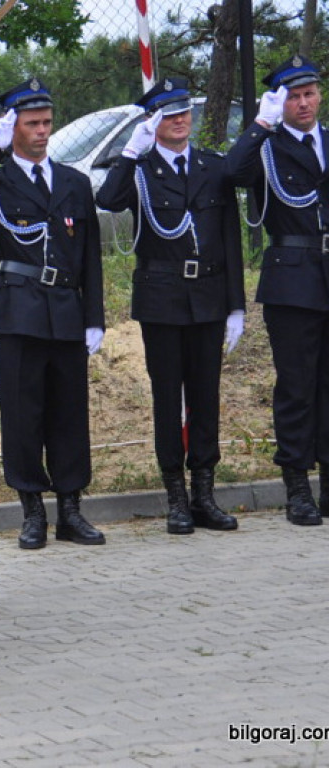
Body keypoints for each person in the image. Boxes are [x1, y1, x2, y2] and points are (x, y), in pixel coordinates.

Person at [0, 77, 107, 549]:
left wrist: (94, 316)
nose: (42, 131)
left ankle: (71, 511)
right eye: (32, 123)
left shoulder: (75, 183)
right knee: (23, 414)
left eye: (47, 123)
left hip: (67, 309)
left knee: (69, 414)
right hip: (18, 310)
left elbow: (91, 253)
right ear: (11, 126)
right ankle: (32, 511)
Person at [96, 77, 244, 535]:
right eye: (167, 114)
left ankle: (204, 493)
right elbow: (107, 198)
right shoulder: (138, 169)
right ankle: (175, 496)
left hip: (209, 298)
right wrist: (129, 152)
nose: (179, 120)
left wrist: (236, 305)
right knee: (168, 399)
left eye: (183, 112)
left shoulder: (212, 167)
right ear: (151, 121)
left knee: (206, 397)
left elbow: (231, 239)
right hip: (161, 299)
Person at [225, 55, 329, 527]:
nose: (303, 103)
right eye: (293, 96)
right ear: (280, 101)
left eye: (309, 93)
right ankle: (296, 488)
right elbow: (231, 174)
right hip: (293, 278)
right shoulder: (266, 147)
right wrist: (260, 124)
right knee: (297, 386)